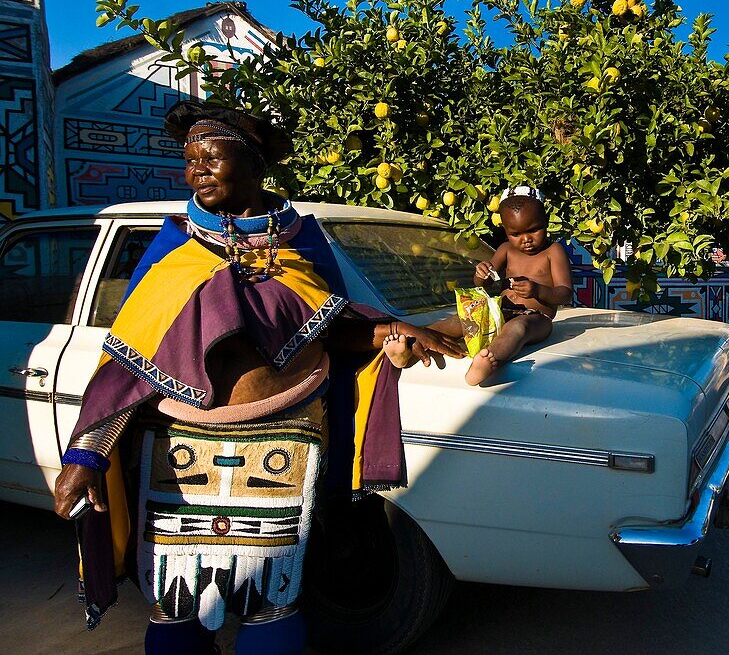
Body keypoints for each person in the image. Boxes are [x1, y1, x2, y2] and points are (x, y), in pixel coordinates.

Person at [51, 101, 465, 655]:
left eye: (212, 157)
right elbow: (128, 360)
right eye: (189, 159)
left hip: (284, 442)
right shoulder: (173, 245)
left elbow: (330, 325)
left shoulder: (302, 242)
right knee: (175, 599)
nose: (197, 170)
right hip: (178, 446)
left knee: (275, 590)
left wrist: (388, 334)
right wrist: (87, 455)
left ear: (254, 166)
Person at [455, 186, 573, 385]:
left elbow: (565, 293)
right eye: (516, 234)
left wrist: (537, 290)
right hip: (501, 311)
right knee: (460, 319)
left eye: (533, 230)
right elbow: (484, 283)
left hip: (537, 319)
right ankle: (413, 341)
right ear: (506, 231)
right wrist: (481, 273)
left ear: (545, 222)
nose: (526, 239)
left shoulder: (554, 251)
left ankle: (490, 360)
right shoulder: (506, 250)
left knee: (517, 329)